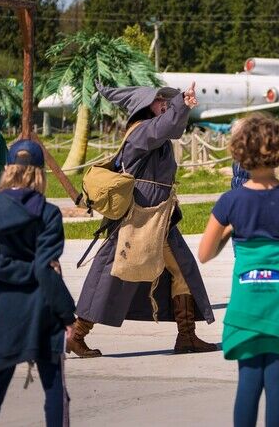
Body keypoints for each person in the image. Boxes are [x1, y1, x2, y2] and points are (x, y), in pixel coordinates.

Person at [70, 82, 217, 357]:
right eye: (159, 99)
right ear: (143, 106)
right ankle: (76, 335)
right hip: (138, 218)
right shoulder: (142, 133)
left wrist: (180, 106)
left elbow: (171, 128)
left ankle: (187, 336)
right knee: (110, 274)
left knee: (183, 270)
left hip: (159, 218)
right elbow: (168, 126)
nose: (164, 102)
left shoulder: (154, 132)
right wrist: (181, 104)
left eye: (166, 99)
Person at [198, 113, 279, 427]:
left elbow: (204, 254)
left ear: (239, 153)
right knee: (278, 379)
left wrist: (231, 229)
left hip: (247, 299)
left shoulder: (230, 201)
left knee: (248, 380)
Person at [0, 140, 76, 426]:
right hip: (43, 311)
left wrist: (24, 269)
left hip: (4, 308)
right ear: (40, 173)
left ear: (8, 169)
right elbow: (46, 269)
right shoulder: (48, 213)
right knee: (55, 391)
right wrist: (67, 314)